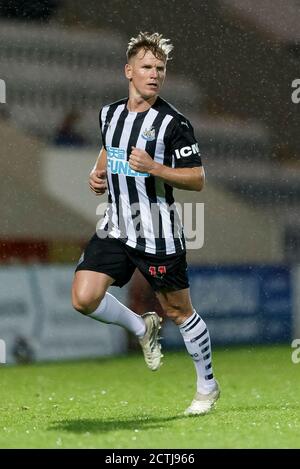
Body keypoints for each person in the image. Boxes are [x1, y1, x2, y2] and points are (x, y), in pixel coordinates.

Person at [72, 32, 220, 415]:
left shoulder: (174, 123)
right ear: (129, 71)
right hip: (116, 224)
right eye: (147, 67)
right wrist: (96, 172)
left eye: (160, 69)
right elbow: (109, 148)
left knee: (179, 311)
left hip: (158, 229)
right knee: (83, 297)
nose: (154, 74)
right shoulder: (110, 114)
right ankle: (141, 328)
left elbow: (197, 178)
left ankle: (207, 385)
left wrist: (154, 167)